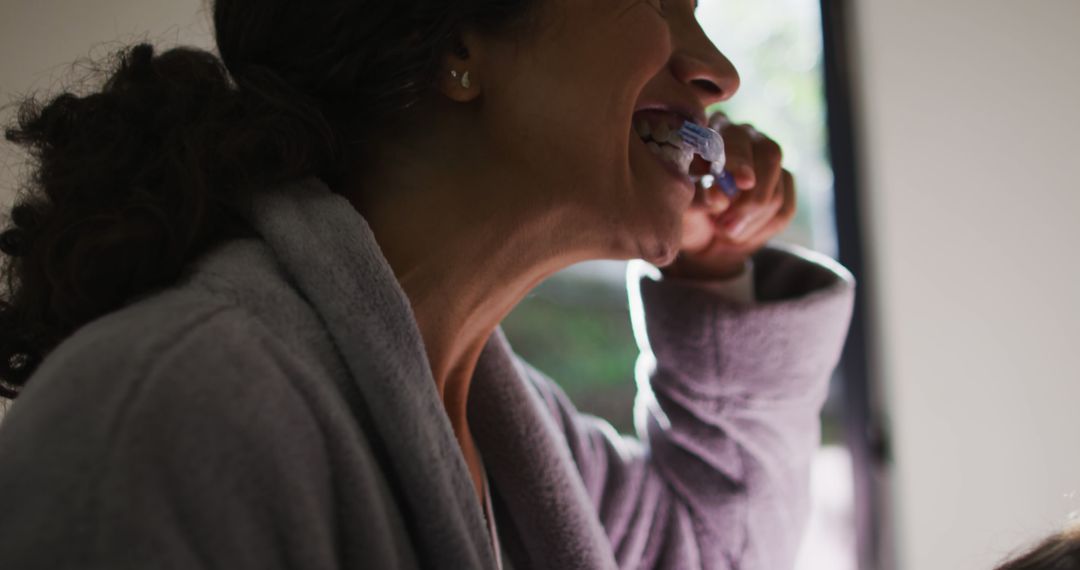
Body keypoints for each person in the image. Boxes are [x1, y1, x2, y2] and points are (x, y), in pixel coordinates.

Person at [0, 0, 854, 568]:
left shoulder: (503, 435)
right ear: (455, 43)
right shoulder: (164, 418)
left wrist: (713, 273)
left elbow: (711, 547)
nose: (718, 72)